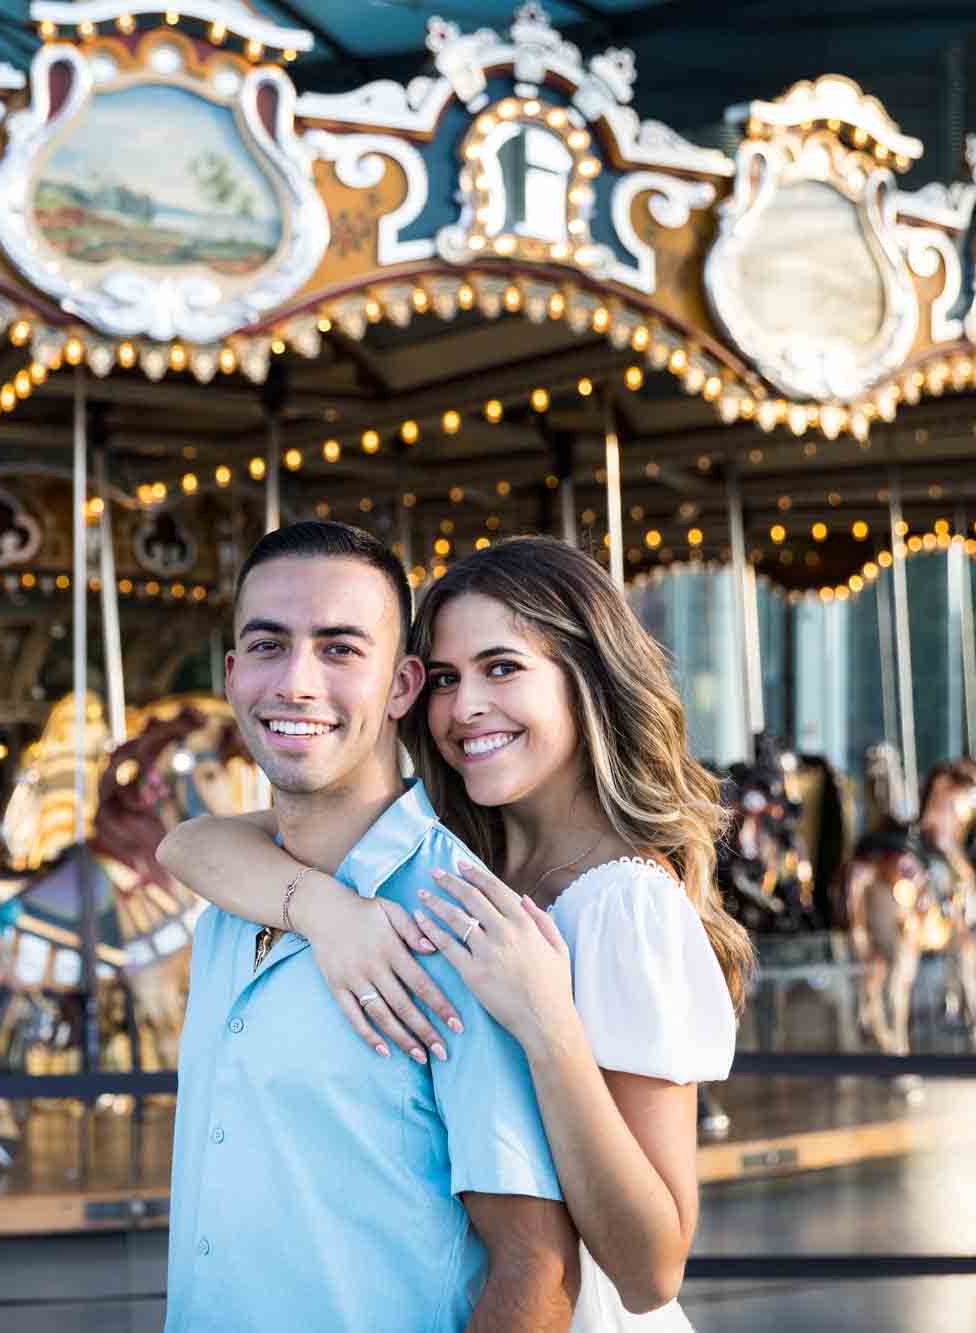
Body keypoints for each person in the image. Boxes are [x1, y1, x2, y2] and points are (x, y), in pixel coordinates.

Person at [160, 535, 753, 1329]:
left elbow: (640, 1267)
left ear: (585, 678)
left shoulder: (595, 905)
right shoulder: (475, 859)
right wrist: (326, 909)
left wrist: (549, 1023)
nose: (465, 705)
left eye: (502, 667)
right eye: (447, 678)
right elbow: (189, 844)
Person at [165, 521, 579, 1332]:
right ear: (232, 674)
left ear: (402, 685)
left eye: (340, 649)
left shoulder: (457, 918)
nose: (296, 682)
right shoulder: (232, 903)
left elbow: (536, 1265)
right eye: (268, 645)